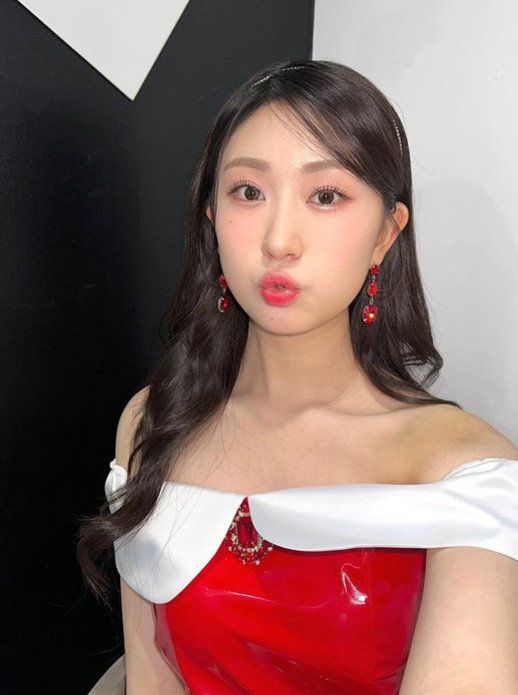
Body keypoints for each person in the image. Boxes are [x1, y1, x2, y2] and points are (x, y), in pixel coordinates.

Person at [77, 59, 518, 695]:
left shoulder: (465, 475)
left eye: (326, 196)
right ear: (212, 218)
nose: (279, 240)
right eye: (248, 192)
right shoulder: (154, 421)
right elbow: (151, 678)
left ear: (385, 235)